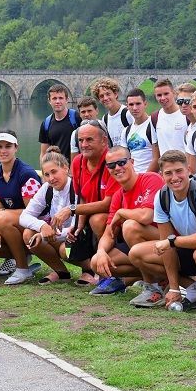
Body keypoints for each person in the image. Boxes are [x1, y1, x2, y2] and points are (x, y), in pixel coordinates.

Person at [127, 150, 196, 310]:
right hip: (188, 246)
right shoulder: (162, 196)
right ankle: (193, 288)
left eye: (179, 171)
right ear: (161, 175)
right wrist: (174, 288)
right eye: (168, 173)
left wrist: (172, 241)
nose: (174, 177)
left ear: (189, 170)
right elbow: (166, 244)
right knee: (136, 253)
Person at [90, 146, 165, 296]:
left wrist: (122, 212)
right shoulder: (118, 195)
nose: (117, 168)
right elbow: (109, 233)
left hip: (166, 243)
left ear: (132, 162)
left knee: (130, 226)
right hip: (141, 250)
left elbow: (146, 217)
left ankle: (152, 287)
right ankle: (151, 276)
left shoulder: (151, 178)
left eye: (122, 162)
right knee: (96, 262)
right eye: (111, 165)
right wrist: (101, 251)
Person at [8, 151, 80, 284]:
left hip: (76, 239)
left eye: (54, 172)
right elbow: (24, 216)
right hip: (56, 237)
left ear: (65, 168)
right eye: (46, 174)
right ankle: (61, 272)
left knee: (65, 250)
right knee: (28, 234)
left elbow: (75, 228)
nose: (51, 178)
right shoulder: (47, 188)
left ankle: (90, 271)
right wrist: (42, 226)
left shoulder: (76, 187)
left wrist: (44, 235)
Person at [0, 131, 44, 284]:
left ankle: (22, 268)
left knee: (3, 218)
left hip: (37, 223)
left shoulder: (27, 174)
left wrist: (3, 213)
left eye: (8, 146)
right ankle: (20, 256)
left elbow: (33, 212)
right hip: (11, 221)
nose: (3, 150)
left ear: (16, 148)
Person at [69, 119, 119, 285]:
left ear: (104, 141)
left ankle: (109, 274)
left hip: (114, 219)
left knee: (97, 219)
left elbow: (108, 204)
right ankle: (93, 269)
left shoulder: (112, 162)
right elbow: (82, 195)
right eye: (81, 140)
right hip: (88, 218)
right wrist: (79, 226)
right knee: (65, 249)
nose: (84, 145)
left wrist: (72, 210)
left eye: (89, 140)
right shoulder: (78, 162)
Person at [123, 88, 160, 173]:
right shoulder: (126, 131)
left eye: (138, 104)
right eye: (131, 105)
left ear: (145, 104)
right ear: (127, 106)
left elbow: (157, 158)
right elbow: (127, 159)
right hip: (133, 177)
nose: (135, 108)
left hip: (150, 177)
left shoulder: (153, 125)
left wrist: (144, 178)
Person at [39, 83, 79, 160]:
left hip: (76, 169)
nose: (57, 101)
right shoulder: (46, 124)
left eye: (61, 98)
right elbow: (43, 154)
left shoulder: (77, 117)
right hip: (57, 169)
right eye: (54, 98)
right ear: (49, 101)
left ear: (67, 100)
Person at [153, 79, 189, 157]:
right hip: (165, 168)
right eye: (159, 95)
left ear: (174, 93)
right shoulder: (154, 117)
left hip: (184, 166)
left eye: (166, 94)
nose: (162, 98)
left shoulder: (187, 114)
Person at [93, 77, 130, 149]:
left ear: (115, 94)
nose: (105, 98)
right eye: (101, 96)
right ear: (99, 100)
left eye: (108, 94)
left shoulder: (127, 113)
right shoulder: (105, 119)